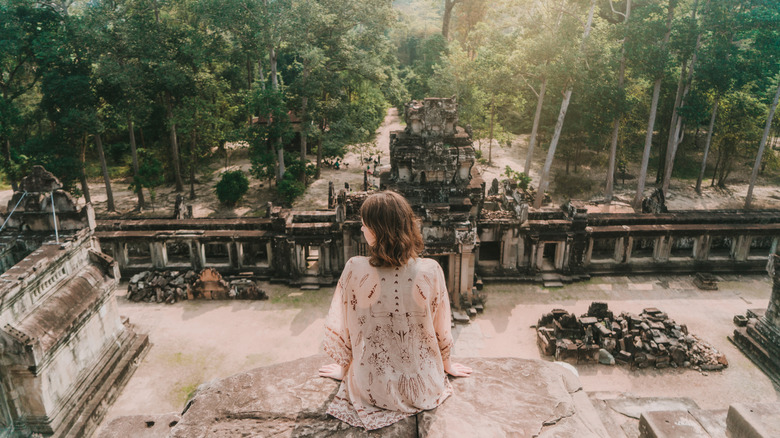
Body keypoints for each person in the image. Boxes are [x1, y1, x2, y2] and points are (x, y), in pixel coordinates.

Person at [319, 191, 472, 430]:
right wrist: (447, 364)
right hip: (424, 386)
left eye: (364, 224)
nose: (361, 229)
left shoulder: (354, 268)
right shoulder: (431, 270)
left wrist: (345, 369)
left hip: (372, 387)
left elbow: (345, 327)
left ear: (378, 230)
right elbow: (442, 329)